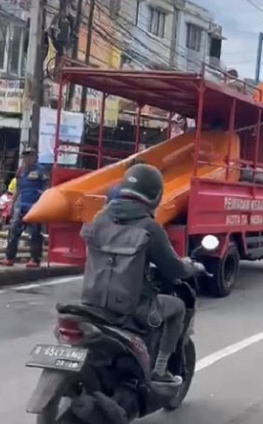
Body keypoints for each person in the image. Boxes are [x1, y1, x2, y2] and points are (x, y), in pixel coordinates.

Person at [96, 164, 198, 384]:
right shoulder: (149, 228)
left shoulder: (100, 218)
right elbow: (173, 268)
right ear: (155, 195)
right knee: (178, 307)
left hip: (92, 302)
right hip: (133, 306)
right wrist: (191, 266)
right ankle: (160, 370)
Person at [0, 147, 47, 268]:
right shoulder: (21, 171)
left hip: (35, 206)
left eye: (30, 156)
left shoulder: (41, 171)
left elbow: (47, 188)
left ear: (35, 157)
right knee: (14, 231)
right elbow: (18, 189)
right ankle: (10, 257)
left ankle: (35, 259)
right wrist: (11, 203)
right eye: (26, 156)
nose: (28, 159)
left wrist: (43, 202)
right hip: (22, 206)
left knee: (35, 233)